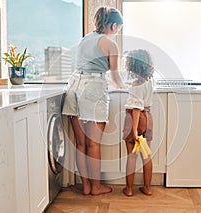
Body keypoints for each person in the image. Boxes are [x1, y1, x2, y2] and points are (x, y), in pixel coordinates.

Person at [62, 6, 126, 196]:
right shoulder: (110, 44)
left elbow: (87, 67)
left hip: (73, 87)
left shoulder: (85, 39)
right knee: (94, 144)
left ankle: (87, 186)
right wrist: (127, 88)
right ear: (113, 25)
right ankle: (97, 187)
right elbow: (115, 78)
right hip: (92, 91)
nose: (118, 32)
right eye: (119, 28)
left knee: (80, 144)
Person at [122, 49, 154, 197]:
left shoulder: (136, 84)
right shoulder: (150, 81)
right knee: (146, 155)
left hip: (135, 120)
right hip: (147, 118)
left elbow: (135, 109)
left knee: (131, 156)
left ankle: (128, 189)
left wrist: (134, 130)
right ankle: (147, 188)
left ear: (133, 66)